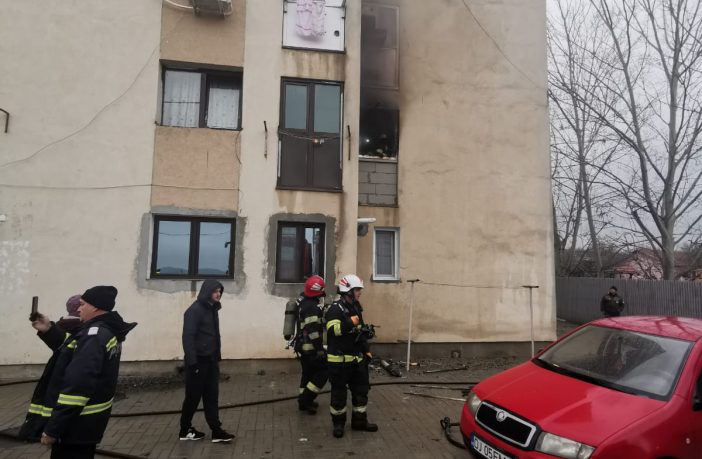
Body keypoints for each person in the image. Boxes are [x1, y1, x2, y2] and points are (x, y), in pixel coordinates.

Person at [32, 286, 136, 459]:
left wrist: (53, 429)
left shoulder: (94, 336)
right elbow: (73, 346)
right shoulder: (103, 330)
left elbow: (77, 389)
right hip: (87, 424)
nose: (79, 309)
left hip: (75, 426)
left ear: (95, 307)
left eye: (82, 304)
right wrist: (49, 329)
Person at [19, 294, 84, 442]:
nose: (82, 308)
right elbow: (65, 343)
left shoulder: (89, 331)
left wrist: (48, 329)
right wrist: (48, 328)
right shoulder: (81, 329)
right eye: (81, 305)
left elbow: (65, 343)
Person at [179, 280, 235, 443]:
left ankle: (216, 431)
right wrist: (193, 363)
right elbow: (188, 337)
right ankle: (185, 429)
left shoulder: (212, 309)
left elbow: (213, 335)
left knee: (211, 396)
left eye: (220, 291)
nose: (218, 294)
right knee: (193, 398)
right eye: (215, 291)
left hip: (211, 360)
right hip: (198, 362)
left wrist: (216, 356)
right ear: (207, 292)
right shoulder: (194, 311)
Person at [325, 274, 378, 438]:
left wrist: (366, 348)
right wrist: (351, 322)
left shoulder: (356, 308)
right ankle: (338, 425)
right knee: (339, 396)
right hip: (339, 363)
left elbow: (359, 331)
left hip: (357, 361)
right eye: (357, 290)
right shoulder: (335, 309)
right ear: (348, 291)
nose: (360, 292)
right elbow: (333, 330)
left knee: (361, 393)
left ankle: (359, 423)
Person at [295, 275, 328, 414]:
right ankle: (305, 399)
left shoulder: (304, 303)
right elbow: (312, 330)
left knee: (307, 374)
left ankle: (303, 401)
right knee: (323, 373)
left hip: (302, 347)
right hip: (311, 349)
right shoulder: (312, 307)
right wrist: (320, 349)